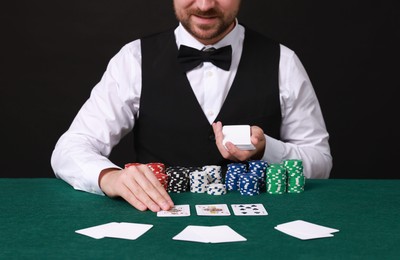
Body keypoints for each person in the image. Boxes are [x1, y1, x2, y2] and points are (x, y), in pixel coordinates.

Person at [51, 0, 332, 212]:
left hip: (263, 231)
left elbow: (320, 161)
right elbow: (70, 148)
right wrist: (108, 177)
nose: (205, 5)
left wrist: (266, 149)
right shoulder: (133, 59)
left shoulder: (284, 61)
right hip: (158, 227)